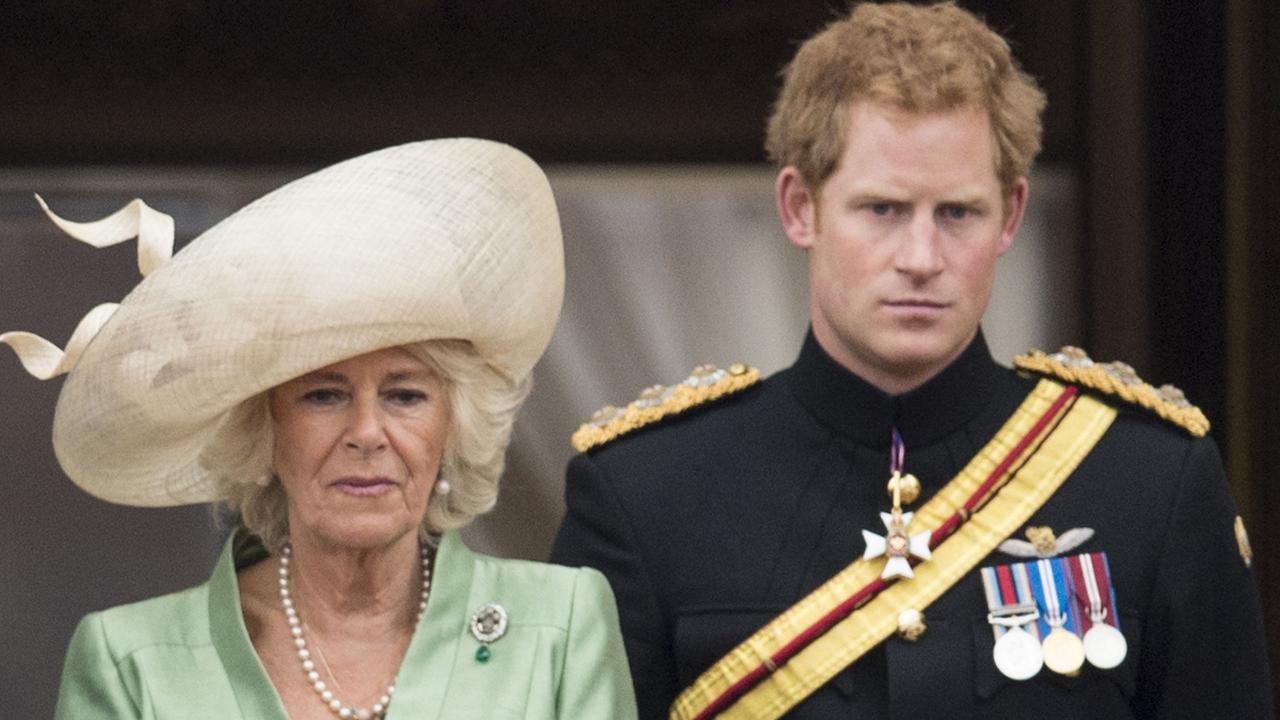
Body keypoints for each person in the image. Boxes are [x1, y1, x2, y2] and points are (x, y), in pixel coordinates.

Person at [550, 3, 1272, 719]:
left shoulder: (1150, 480)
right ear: (801, 208)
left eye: (958, 213)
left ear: (1011, 216)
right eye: (884, 210)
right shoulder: (646, 494)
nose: (922, 259)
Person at [2, 138, 638, 719]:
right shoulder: (130, 660)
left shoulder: (560, 624)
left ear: (454, 425)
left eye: (406, 395)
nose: (367, 431)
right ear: (264, 430)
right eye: (324, 395)